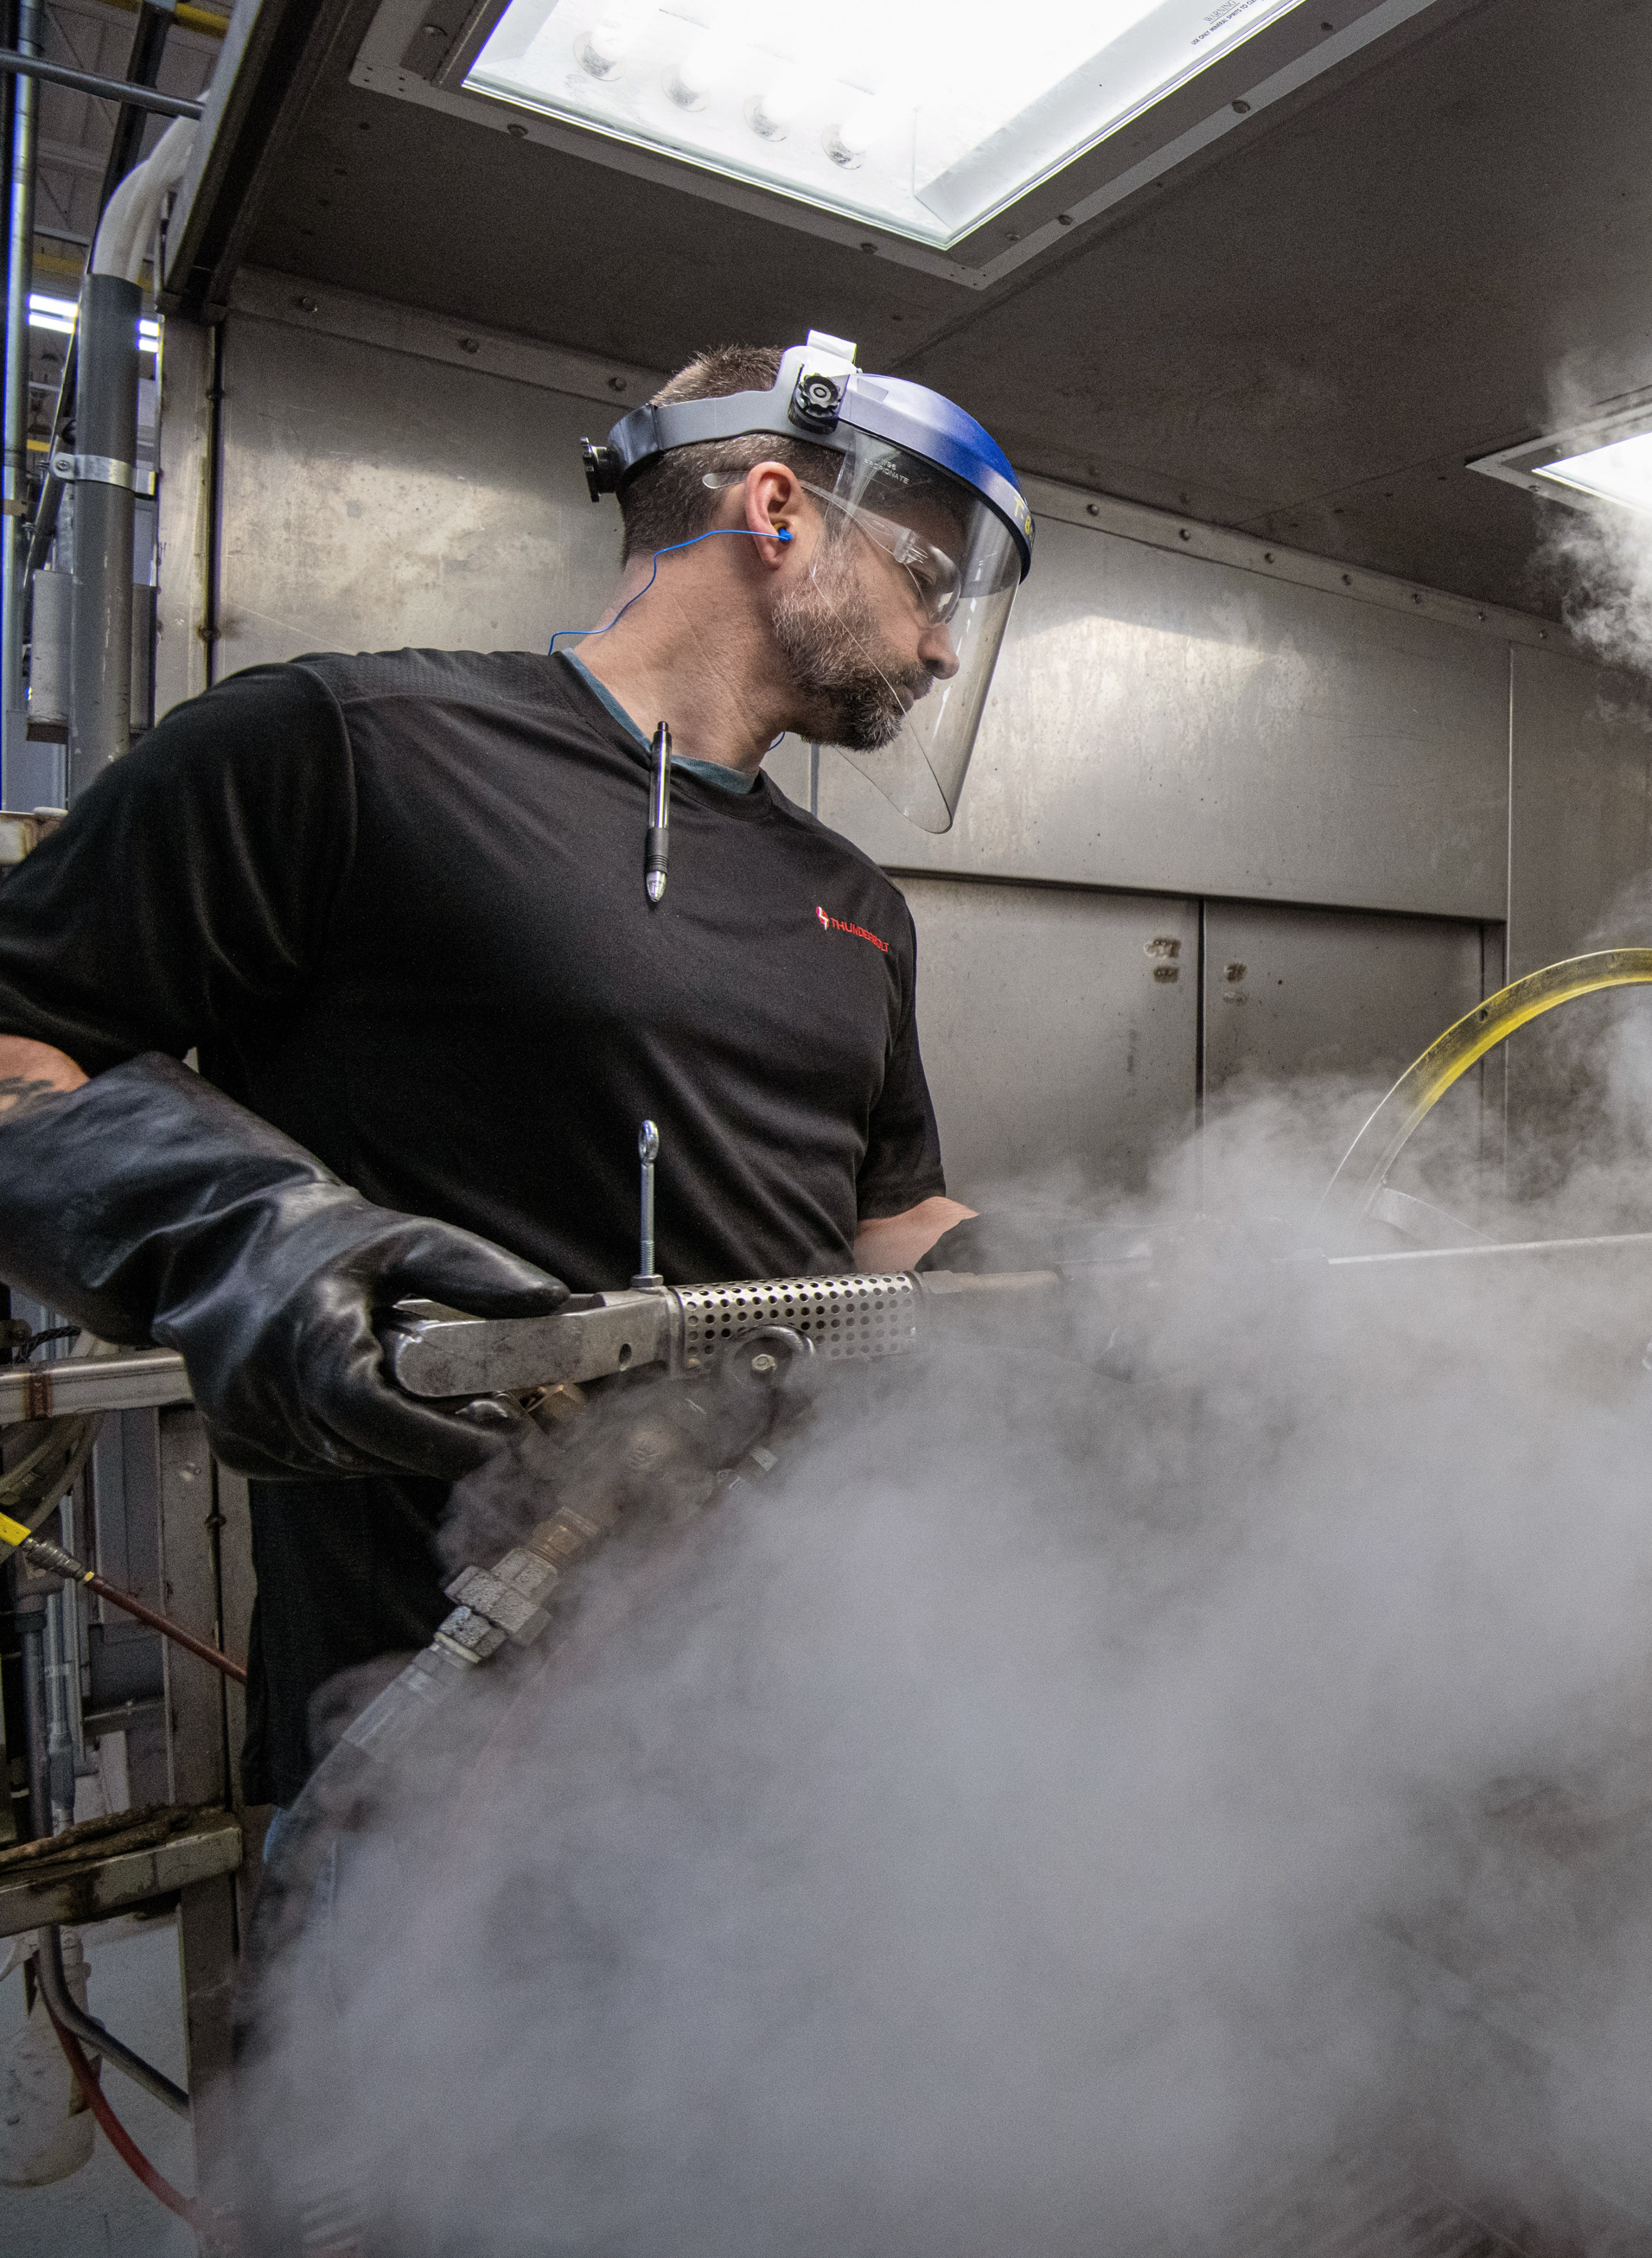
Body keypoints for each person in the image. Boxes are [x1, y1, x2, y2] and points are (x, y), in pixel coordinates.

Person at [0, 331, 1031, 1810]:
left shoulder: (858, 904)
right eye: (928, 581)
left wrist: (1060, 1273)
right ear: (779, 508)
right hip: (430, 1707)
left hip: (777, 1680)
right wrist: (245, 1243)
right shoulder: (347, 753)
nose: (941, 646)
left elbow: (886, 1211)